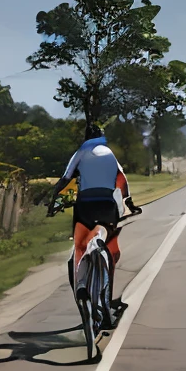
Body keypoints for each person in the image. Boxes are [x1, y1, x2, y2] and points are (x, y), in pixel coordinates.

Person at [52, 123, 141, 295]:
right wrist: (128, 201)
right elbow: (122, 179)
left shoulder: (81, 152)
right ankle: (107, 272)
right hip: (108, 204)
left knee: (79, 244)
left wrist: (53, 198)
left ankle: (81, 284)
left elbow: (65, 178)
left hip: (86, 203)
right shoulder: (110, 154)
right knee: (111, 240)